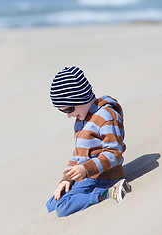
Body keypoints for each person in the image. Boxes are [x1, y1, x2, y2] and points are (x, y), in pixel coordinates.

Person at [46, 66, 132, 217]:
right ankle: (83, 191)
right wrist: (67, 179)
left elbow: (114, 153)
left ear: (81, 97)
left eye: (69, 109)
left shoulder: (106, 116)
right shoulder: (81, 118)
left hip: (105, 177)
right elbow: (77, 155)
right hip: (86, 176)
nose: (68, 115)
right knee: (51, 204)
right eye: (63, 111)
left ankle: (108, 192)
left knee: (62, 208)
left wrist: (86, 169)